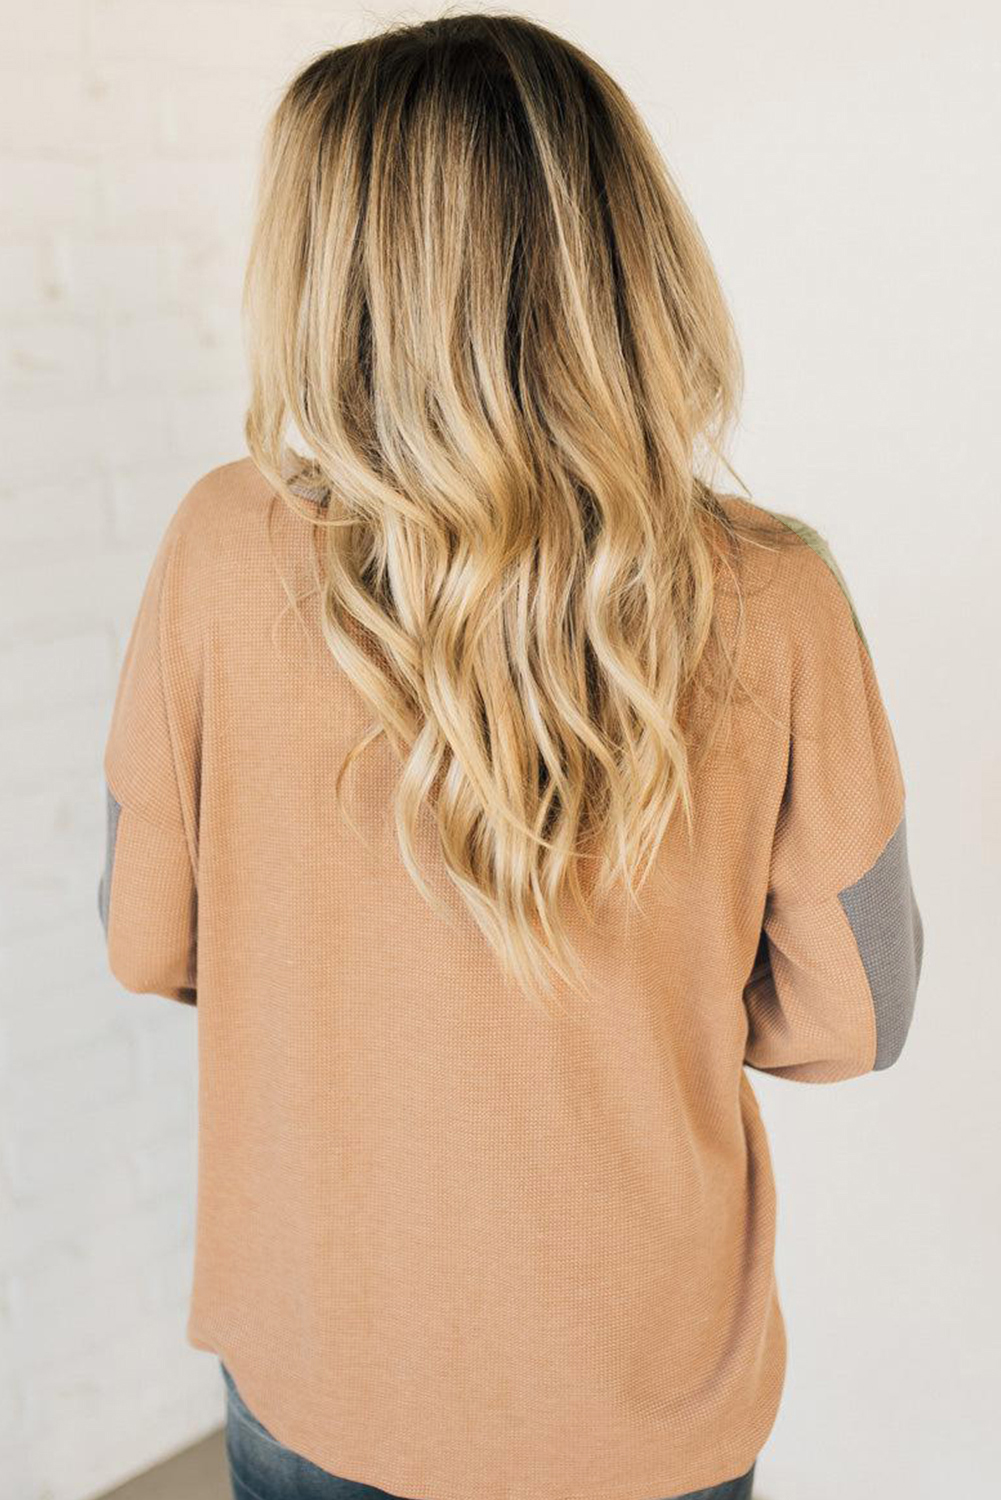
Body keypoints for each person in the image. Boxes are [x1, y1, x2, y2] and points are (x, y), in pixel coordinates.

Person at [97, 13, 923, 1500]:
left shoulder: (219, 545)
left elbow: (145, 935)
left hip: (323, 1359)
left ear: (325, 271)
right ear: (624, 252)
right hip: (641, 1391)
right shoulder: (775, 592)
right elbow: (857, 1013)